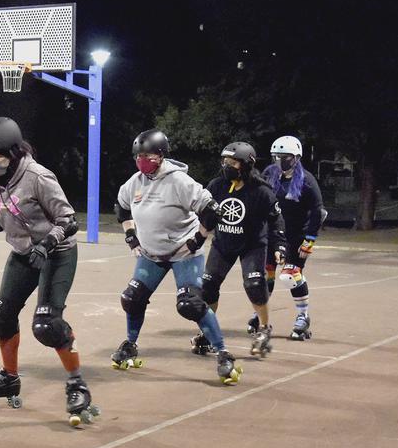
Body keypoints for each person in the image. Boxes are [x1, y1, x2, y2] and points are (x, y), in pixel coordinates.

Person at [0, 117, 99, 427]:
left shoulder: (39, 177)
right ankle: (9, 378)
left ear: (12, 152)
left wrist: (45, 245)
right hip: (24, 254)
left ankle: (77, 383)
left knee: (48, 325)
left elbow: (68, 221)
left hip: (57, 253)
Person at [112, 129, 242, 385]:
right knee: (132, 298)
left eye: (147, 156)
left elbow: (211, 211)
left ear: (161, 156)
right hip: (151, 253)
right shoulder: (135, 182)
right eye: (138, 156)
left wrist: (199, 238)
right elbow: (122, 207)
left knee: (190, 304)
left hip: (184, 252)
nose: (142, 161)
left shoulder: (179, 182)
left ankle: (223, 353)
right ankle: (130, 344)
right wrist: (130, 236)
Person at [191, 142, 287, 357]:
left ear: (246, 165)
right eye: (225, 162)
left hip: (253, 244)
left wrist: (280, 245)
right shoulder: (217, 186)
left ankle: (263, 329)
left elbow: (276, 219)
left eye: (232, 162)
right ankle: (208, 330)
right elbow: (204, 212)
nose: (227, 166)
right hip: (224, 243)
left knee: (254, 284)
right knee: (208, 286)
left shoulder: (261, 191)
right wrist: (196, 237)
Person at [257, 136, 326, 340]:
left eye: (284, 157)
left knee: (289, 275)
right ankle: (260, 315)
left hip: (297, 236)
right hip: (272, 234)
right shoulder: (268, 175)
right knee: (264, 275)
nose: (279, 161)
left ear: (296, 158)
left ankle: (303, 317)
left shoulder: (306, 180)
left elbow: (318, 212)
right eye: (275, 156)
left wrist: (310, 240)